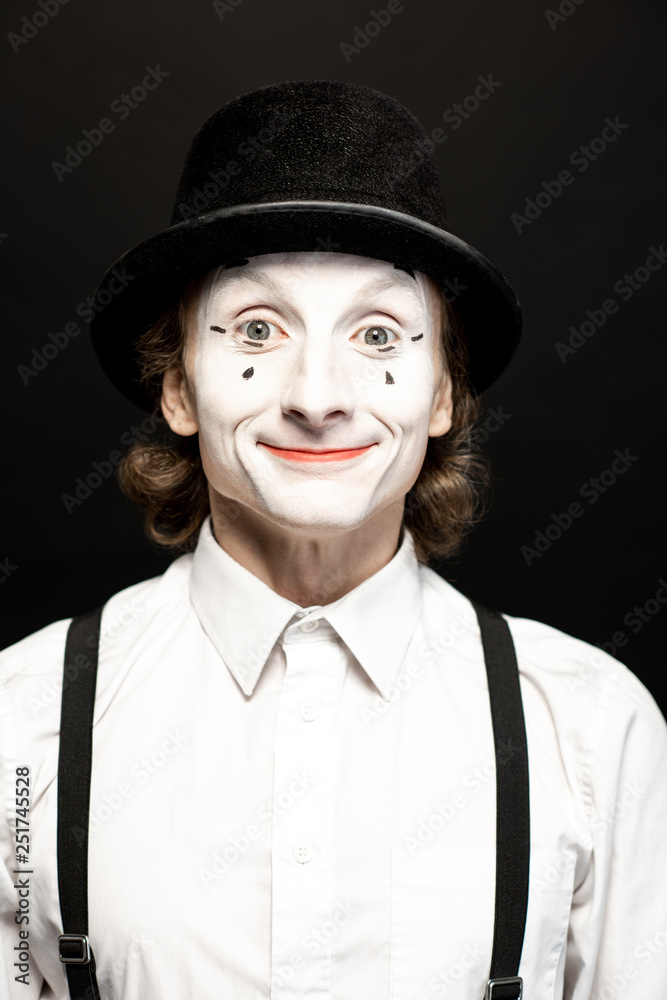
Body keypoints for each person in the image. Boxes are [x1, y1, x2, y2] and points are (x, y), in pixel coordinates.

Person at [1, 79, 666, 1000]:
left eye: (380, 333)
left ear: (441, 392)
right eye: (258, 328)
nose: (318, 396)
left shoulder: (593, 730)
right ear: (179, 388)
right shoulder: (19, 726)